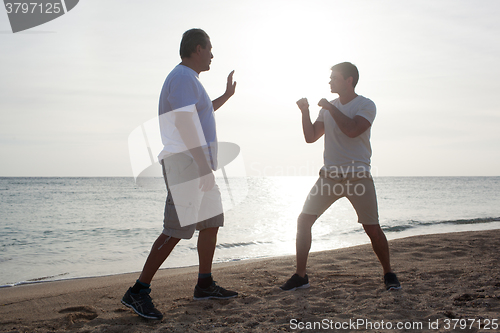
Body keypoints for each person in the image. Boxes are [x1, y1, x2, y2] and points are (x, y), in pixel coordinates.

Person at [122, 28, 238, 320]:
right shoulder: (184, 78)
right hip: (186, 163)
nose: (212, 55)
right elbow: (186, 126)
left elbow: (203, 113)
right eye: (210, 49)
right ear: (198, 48)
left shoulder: (190, 81)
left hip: (197, 163)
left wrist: (226, 95)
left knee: (211, 222)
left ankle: (204, 283)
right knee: (175, 230)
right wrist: (202, 166)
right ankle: (138, 290)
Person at [280, 62, 401, 292]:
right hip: (330, 177)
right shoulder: (327, 108)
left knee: (372, 228)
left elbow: (353, 129)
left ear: (349, 80)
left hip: (358, 177)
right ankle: (301, 275)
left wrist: (329, 107)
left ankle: (389, 273)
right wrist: (305, 112)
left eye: (334, 78)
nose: (330, 82)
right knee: (303, 220)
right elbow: (311, 136)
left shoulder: (365, 105)